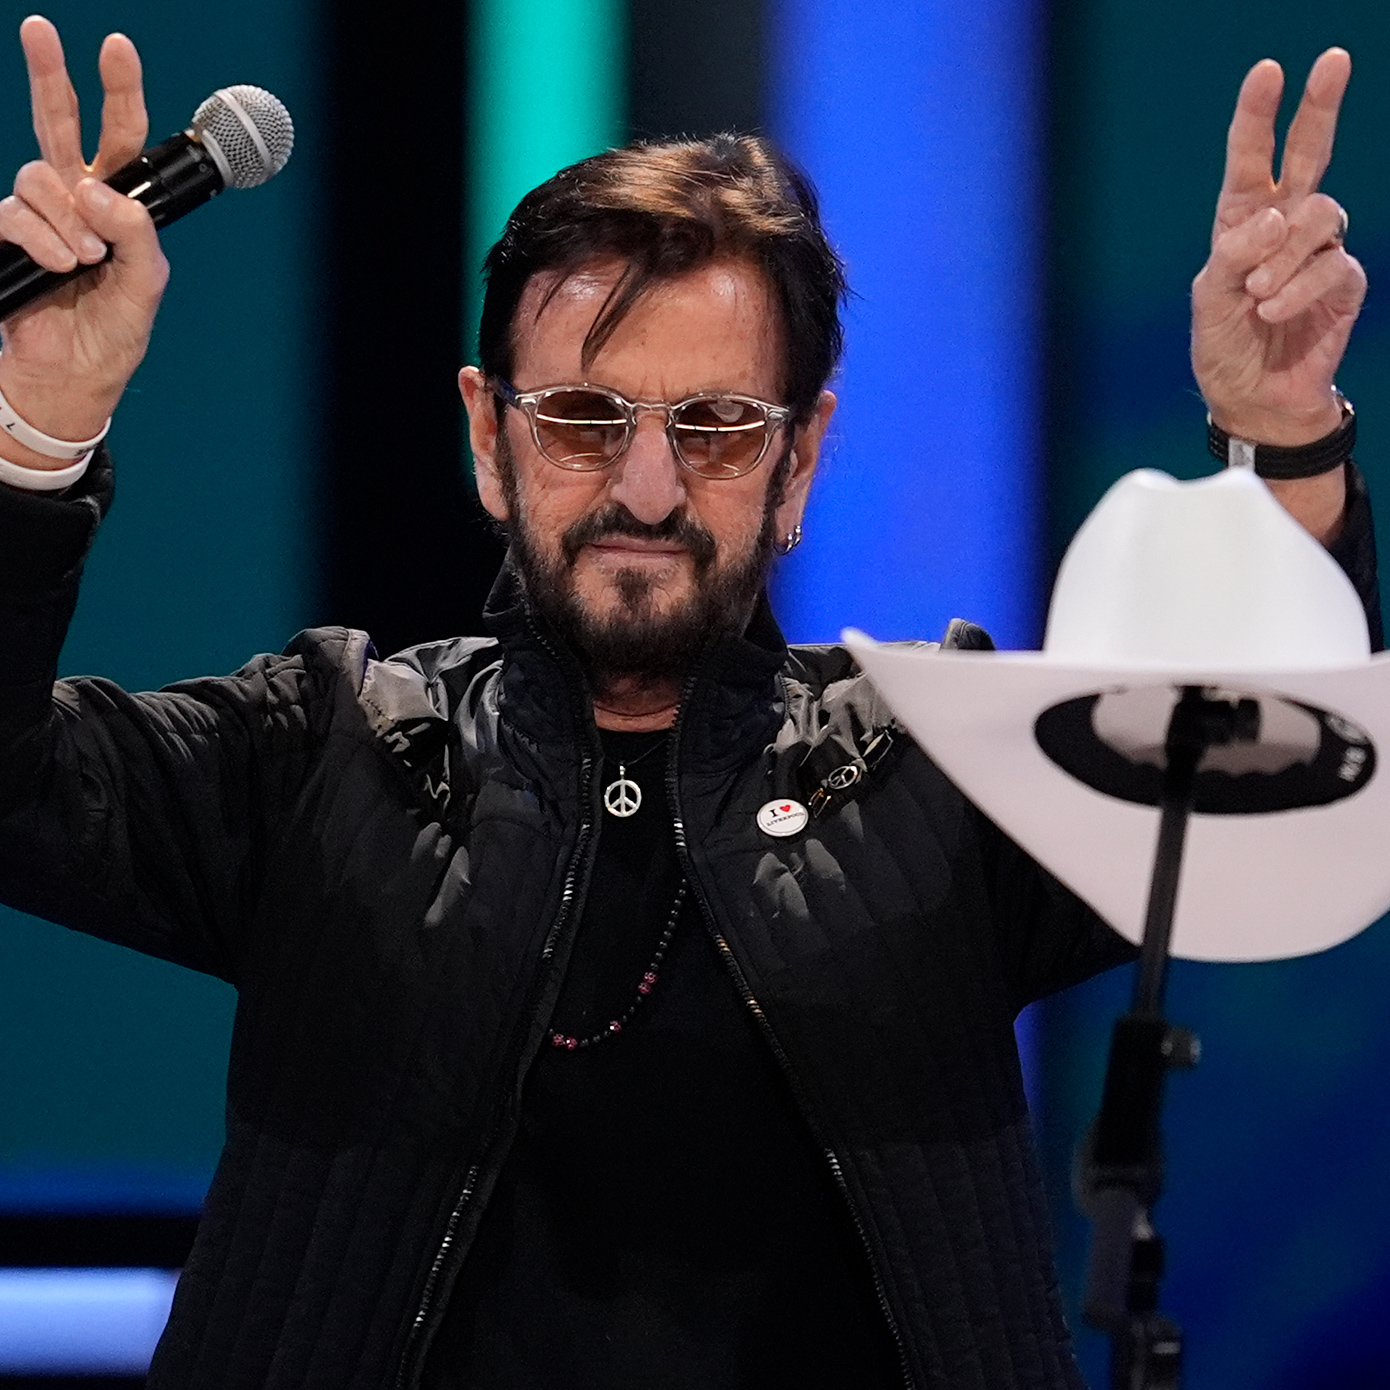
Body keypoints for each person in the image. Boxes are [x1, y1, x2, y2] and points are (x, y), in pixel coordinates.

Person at [0, 15, 1376, 1389]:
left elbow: (1276, 798)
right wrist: (35, 436)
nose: (647, 489)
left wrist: (1282, 441)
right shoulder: (327, 750)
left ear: (800, 460)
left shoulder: (944, 763)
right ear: (488, 437)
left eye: (714, 428)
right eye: (583, 419)